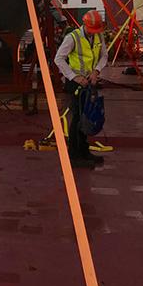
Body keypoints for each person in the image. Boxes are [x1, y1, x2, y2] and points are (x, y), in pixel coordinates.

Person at [54, 9, 107, 168]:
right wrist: (74, 77)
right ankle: (74, 155)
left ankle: (84, 152)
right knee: (77, 119)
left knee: (87, 118)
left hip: (90, 82)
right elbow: (59, 59)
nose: (93, 33)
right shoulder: (73, 38)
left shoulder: (98, 36)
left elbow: (104, 55)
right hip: (76, 83)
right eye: (91, 30)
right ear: (85, 25)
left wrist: (96, 71)